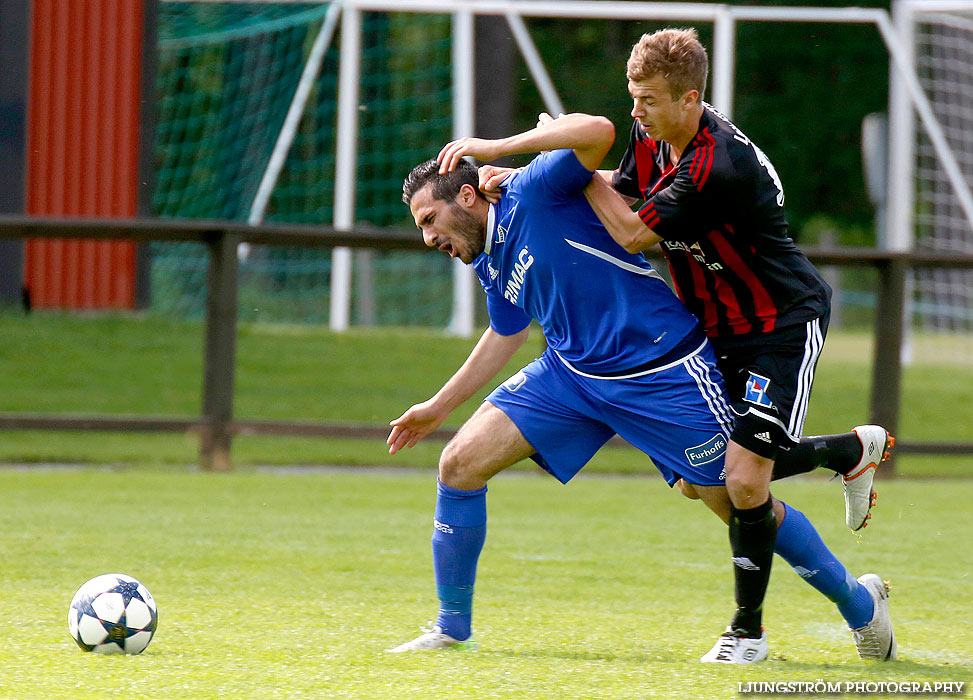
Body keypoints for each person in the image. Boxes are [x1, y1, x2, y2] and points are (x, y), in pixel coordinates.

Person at [385, 113, 894, 663]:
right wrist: (437, 408)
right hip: (571, 375)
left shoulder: (533, 188)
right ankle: (451, 628)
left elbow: (598, 131)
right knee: (458, 464)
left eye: (430, 218)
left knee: (737, 498)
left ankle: (861, 605)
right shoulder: (487, 256)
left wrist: (498, 146)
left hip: (662, 369)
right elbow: (506, 333)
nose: (428, 236)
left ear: (466, 194)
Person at [541, 27, 895, 662]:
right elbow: (621, 194)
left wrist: (572, 158)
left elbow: (627, 232)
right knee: (697, 481)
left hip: (779, 326)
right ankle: (846, 451)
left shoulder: (716, 162)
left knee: (743, 481)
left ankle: (747, 634)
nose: (635, 113)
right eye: (632, 97)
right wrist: (538, 178)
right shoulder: (653, 142)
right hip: (712, 331)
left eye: (648, 99)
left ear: (690, 98)